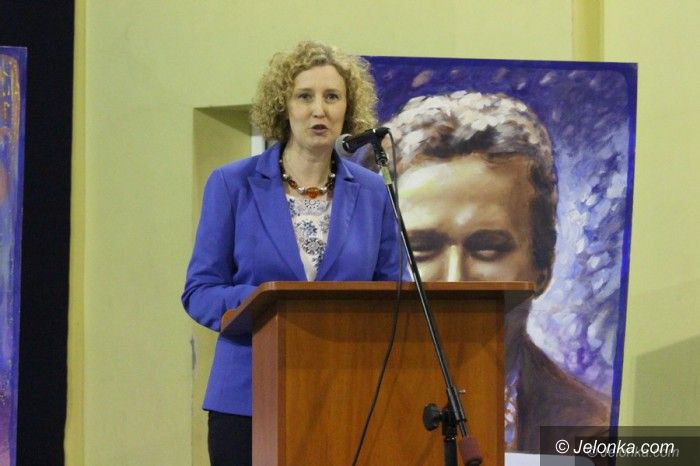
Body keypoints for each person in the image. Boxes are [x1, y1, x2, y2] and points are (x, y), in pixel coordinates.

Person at [181, 41, 405, 465]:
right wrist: (268, 302)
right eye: (305, 96)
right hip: (247, 399)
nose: (319, 110)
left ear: (347, 109)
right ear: (283, 107)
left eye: (332, 97)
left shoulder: (374, 191)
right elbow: (200, 292)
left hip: (348, 393)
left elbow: (393, 292)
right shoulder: (231, 184)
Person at [363, 91, 611, 453]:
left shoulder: (594, 428)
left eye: (488, 248)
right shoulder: (342, 406)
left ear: (543, 263)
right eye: (421, 248)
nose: (454, 280)